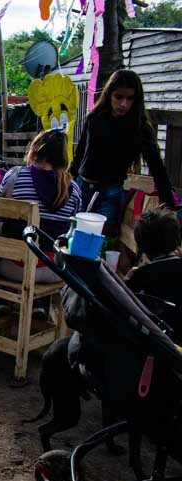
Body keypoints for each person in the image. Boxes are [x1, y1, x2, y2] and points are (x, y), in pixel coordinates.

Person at [70, 69, 175, 233]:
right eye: (119, 97)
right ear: (109, 95)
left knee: (104, 241)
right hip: (82, 186)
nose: (123, 104)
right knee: (74, 236)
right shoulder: (95, 118)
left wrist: (168, 202)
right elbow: (80, 152)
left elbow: (157, 167)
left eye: (130, 98)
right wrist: (69, 181)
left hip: (110, 191)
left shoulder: (139, 129)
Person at [0, 129, 82, 283]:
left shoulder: (14, 176)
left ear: (34, 150)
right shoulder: (74, 190)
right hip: (55, 271)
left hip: (14, 267)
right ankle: (41, 305)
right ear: (63, 157)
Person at [126, 208, 182, 343]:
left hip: (156, 346)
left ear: (141, 246)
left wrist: (126, 282)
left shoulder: (138, 277)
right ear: (177, 240)